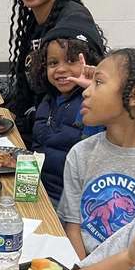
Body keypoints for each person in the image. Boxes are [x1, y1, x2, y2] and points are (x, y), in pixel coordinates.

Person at [58, 49, 135, 259]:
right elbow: (73, 226)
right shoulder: (80, 154)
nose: (85, 92)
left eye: (98, 83)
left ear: (134, 96)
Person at [5, 0, 105, 136]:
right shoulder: (34, 20)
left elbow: (68, 98)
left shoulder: (72, 24)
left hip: (63, 135)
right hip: (40, 122)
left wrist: (23, 122)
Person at [27, 15, 106, 203]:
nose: (60, 69)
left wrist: (97, 88)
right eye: (53, 63)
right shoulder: (48, 99)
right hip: (38, 189)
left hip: (67, 200)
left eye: (71, 61)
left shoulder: (93, 104)